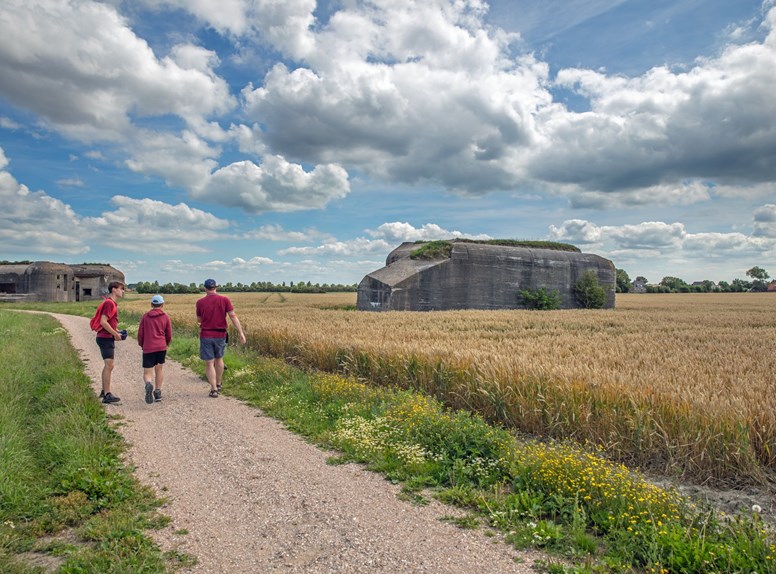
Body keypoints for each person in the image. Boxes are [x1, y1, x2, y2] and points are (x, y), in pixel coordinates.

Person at [196, 278, 246, 397]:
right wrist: (241, 333)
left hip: (206, 334)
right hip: (221, 334)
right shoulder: (224, 299)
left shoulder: (200, 302)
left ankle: (213, 389)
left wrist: (203, 323)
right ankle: (218, 384)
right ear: (216, 287)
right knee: (219, 359)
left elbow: (199, 320)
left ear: (205, 288)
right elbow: (233, 316)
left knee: (209, 363)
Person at [137, 294, 173, 404]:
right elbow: (169, 334)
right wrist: (166, 343)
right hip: (161, 346)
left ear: (152, 304)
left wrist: (142, 344)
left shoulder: (145, 317)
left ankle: (148, 384)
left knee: (147, 372)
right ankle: (157, 393)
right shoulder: (165, 317)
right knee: (159, 369)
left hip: (148, 347)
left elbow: (140, 333)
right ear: (162, 304)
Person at [95, 280, 125, 404]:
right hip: (105, 337)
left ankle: (104, 390)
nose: (122, 291)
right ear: (113, 289)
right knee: (109, 366)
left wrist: (117, 331)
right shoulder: (110, 303)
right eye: (121, 288)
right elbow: (103, 321)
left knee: (109, 365)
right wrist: (115, 334)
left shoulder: (110, 303)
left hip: (105, 337)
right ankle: (107, 394)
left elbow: (108, 322)